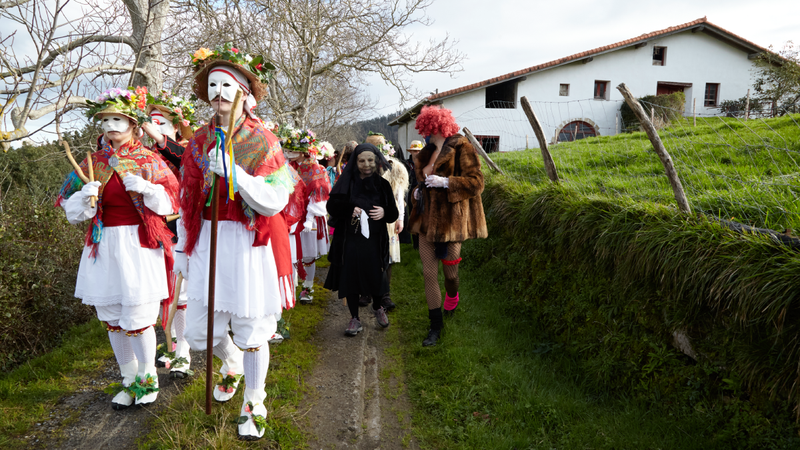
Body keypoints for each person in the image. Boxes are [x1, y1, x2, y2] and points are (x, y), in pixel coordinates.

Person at [175, 43, 296, 440]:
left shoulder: (264, 141)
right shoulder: (197, 143)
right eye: (213, 85)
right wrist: (182, 248)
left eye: (228, 85)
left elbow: (277, 199)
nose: (219, 93)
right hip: (208, 238)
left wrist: (237, 176)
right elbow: (187, 198)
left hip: (249, 242)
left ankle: (254, 401)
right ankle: (231, 364)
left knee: (251, 329)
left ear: (244, 91)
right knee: (197, 333)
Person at [56, 87, 179, 409]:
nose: (111, 125)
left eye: (118, 119)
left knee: (138, 318)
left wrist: (148, 188)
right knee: (112, 317)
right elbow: (70, 208)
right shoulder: (93, 162)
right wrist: (83, 197)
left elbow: (172, 202)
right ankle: (129, 378)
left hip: (138, 245)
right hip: (103, 245)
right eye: (106, 120)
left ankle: (148, 379)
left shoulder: (148, 159)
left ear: (134, 125)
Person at [408, 105, 487, 347]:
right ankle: (435, 326)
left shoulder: (462, 146)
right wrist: (417, 193)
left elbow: (477, 183)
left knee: (450, 275)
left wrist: (446, 182)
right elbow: (421, 183)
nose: (424, 134)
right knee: (429, 274)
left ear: (435, 125)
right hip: (425, 222)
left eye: (426, 128)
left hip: (452, 223)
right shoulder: (428, 150)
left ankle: (452, 296)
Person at [142, 91, 197, 378]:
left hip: (178, 229)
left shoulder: (187, 149)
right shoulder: (142, 154)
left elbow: (184, 164)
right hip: (149, 232)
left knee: (181, 292)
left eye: (162, 123)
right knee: (158, 292)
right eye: (150, 123)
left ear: (176, 127)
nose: (154, 128)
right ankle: (169, 345)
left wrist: (163, 141)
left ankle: (183, 352)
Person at [324, 144, 399, 336]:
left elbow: (393, 213)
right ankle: (354, 318)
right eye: (362, 160)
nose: (366, 164)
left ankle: (377, 306)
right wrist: (350, 209)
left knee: (375, 274)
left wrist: (384, 212)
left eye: (370, 160)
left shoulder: (382, 185)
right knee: (351, 276)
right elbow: (332, 206)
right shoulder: (346, 182)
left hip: (375, 240)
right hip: (350, 239)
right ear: (355, 162)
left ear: (376, 161)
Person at [279, 127, 332, 304]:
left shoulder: (317, 169)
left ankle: (307, 287)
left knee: (308, 254)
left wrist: (310, 216)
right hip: (288, 215)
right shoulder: (285, 167)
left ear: (303, 151)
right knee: (290, 251)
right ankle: (291, 285)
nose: (288, 153)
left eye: (292, 150)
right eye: (286, 149)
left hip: (308, 217)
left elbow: (320, 195)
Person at [363, 133, 408, 311]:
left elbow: (398, 196)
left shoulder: (394, 167)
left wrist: (400, 218)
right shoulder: (362, 166)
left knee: (387, 256)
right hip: (367, 216)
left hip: (388, 218)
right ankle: (365, 291)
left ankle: (385, 295)